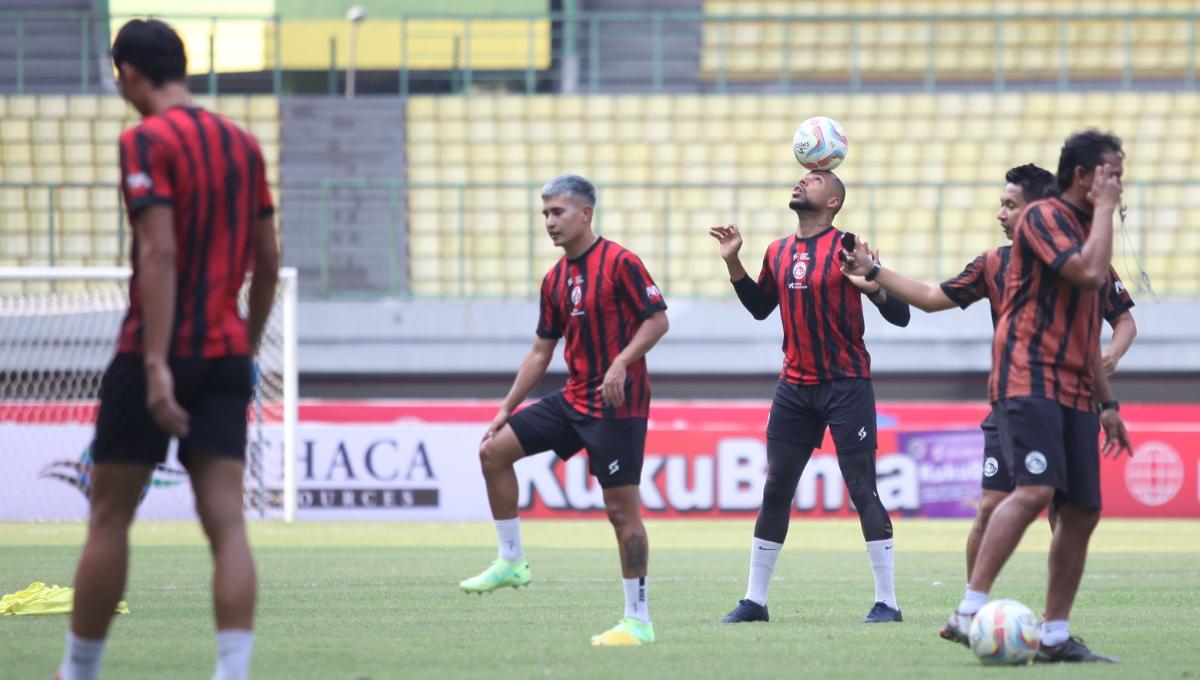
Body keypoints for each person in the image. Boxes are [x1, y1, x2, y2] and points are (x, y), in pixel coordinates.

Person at [57, 19, 279, 680]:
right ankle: (232, 673)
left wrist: (155, 364)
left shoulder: (145, 141)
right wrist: (248, 343)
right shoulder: (242, 144)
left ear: (127, 72)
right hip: (225, 350)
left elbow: (159, 252)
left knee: (110, 516)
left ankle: (78, 673)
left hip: (153, 349)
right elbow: (269, 262)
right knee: (226, 523)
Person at [840, 164, 1136, 585]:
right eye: (1000, 205)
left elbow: (1122, 322)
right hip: (1016, 398)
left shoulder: (1082, 262)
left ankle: (1055, 622)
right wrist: (872, 271)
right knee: (991, 505)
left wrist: (1111, 360)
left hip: (1071, 397)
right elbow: (928, 297)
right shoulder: (992, 264)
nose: (999, 214)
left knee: (1065, 511)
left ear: (1038, 211)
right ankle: (973, 607)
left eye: (1008, 205)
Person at [938, 130, 1134, 663]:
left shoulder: (1088, 232)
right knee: (1034, 490)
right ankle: (968, 609)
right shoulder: (1044, 218)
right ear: (1083, 176)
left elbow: (1090, 327)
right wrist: (1107, 211)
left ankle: (1053, 636)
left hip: (1072, 388)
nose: (1118, 182)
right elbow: (1090, 272)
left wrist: (1108, 404)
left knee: (1084, 509)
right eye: (1111, 172)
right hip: (1029, 378)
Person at [459, 174, 669, 647]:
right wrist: (506, 409)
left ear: (585, 214)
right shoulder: (556, 279)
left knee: (621, 512)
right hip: (574, 397)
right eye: (545, 214)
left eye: (557, 212)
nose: (550, 222)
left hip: (618, 404)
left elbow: (657, 320)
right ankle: (511, 562)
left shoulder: (620, 262)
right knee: (493, 450)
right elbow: (540, 351)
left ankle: (638, 620)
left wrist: (621, 361)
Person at [708, 170, 911, 625]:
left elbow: (902, 316)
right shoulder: (777, 251)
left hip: (847, 384)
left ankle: (888, 602)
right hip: (795, 385)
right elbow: (762, 308)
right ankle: (755, 601)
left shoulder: (849, 247)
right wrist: (733, 263)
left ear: (834, 202)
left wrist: (874, 287)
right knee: (777, 485)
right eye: (801, 178)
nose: (802, 183)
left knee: (862, 487)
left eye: (815, 180)